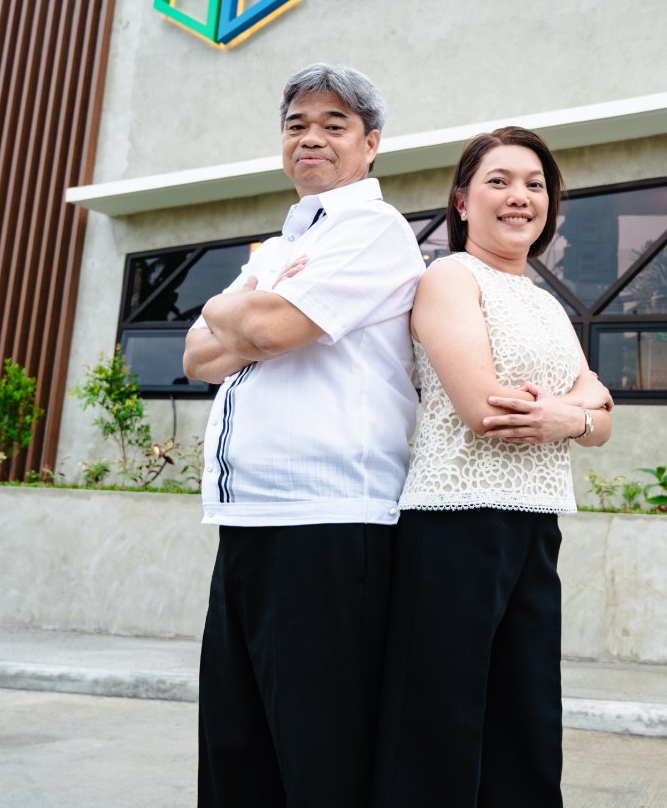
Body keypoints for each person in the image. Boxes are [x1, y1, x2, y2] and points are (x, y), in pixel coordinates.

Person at [183, 63, 425, 808]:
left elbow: (268, 329)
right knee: (237, 745)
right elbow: (197, 359)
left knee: (318, 750)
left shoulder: (373, 230)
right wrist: (248, 308)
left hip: (326, 520)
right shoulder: (287, 242)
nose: (310, 138)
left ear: (371, 143)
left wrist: (232, 304)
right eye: (297, 125)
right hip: (248, 517)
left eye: (333, 124)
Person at [374, 127, 614, 808]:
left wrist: (571, 416)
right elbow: (488, 410)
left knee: (526, 720)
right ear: (462, 201)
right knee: (440, 722)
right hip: (454, 522)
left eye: (535, 184)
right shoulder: (449, 277)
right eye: (499, 181)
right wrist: (579, 407)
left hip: (535, 522)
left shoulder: (545, 302)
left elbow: (601, 420)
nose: (520, 197)